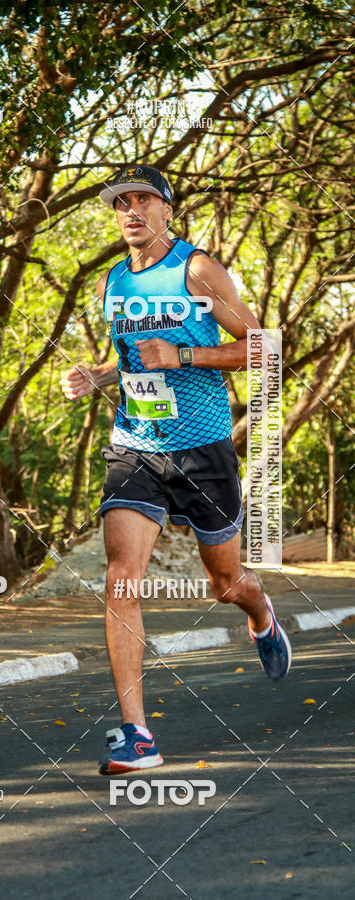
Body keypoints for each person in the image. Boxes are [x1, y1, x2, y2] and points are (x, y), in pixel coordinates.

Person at [60, 165, 291, 776]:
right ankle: (136, 735)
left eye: (143, 200)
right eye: (121, 203)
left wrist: (188, 352)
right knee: (121, 580)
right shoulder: (115, 280)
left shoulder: (197, 269)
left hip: (204, 449)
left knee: (225, 582)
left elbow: (262, 347)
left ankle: (259, 610)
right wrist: (98, 376)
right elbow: (131, 359)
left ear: (167, 210)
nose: (131, 210)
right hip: (137, 444)